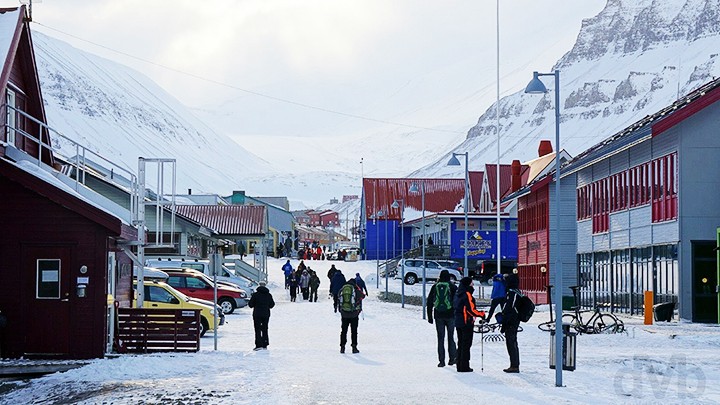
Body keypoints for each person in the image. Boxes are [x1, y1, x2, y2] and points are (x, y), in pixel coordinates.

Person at [453, 277, 485, 372]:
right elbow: (471, 310)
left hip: (458, 322)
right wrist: (481, 314)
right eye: (471, 283)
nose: (473, 285)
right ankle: (464, 366)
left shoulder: (458, 294)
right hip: (466, 322)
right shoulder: (467, 294)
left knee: (461, 343)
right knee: (466, 345)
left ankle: (459, 364)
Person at [427, 270, 458, 367]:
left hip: (438, 315)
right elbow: (457, 302)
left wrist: (430, 317)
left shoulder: (435, 286)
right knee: (450, 337)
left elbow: (429, 301)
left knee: (440, 338)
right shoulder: (453, 287)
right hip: (451, 315)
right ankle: (452, 359)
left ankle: (441, 361)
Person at [500, 273, 521, 373]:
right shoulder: (517, 291)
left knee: (511, 342)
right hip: (514, 319)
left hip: (511, 320)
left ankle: (514, 365)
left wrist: (504, 316)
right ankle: (514, 364)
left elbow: (509, 307)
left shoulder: (512, 293)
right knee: (512, 342)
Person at [338, 278, 364, 353]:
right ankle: (354, 347)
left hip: (344, 314)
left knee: (343, 331)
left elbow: (338, 299)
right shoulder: (355, 289)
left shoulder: (343, 289)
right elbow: (362, 296)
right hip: (354, 314)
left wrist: (340, 310)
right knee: (354, 331)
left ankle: (342, 347)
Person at [248, 280, 275, 350]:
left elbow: (250, 305)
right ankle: (265, 343)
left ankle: (258, 344)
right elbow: (272, 304)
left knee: (257, 329)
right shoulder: (268, 295)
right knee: (265, 328)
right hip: (266, 314)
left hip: (257, 314)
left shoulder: (255, 295)